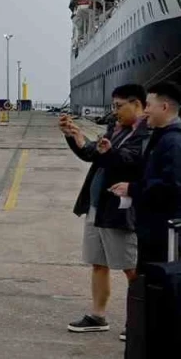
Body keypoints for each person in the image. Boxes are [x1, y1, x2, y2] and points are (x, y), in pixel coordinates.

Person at [60, 85, 150, 335]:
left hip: (119, 211)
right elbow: (94, 153)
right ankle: (97, 316)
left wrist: (108, 151)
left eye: (119, 106)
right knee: (98, 263)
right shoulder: (117, 129)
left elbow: (129, 162)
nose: (115, 111)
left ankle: (139, 322)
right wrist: (74, 135)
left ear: (137, 104)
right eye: (114, 106)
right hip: (97, 208)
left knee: (131, 267)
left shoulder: (145, 134)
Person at [110, 80, 181, 269]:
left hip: (167, 235)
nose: (145, 110)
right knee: (148, 283)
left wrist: (132, 189)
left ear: (164, 107)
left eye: (148, 105)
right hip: (155, 231)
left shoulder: (175, 141)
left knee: (162, 284)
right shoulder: (162, 136)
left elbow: (170, 187)